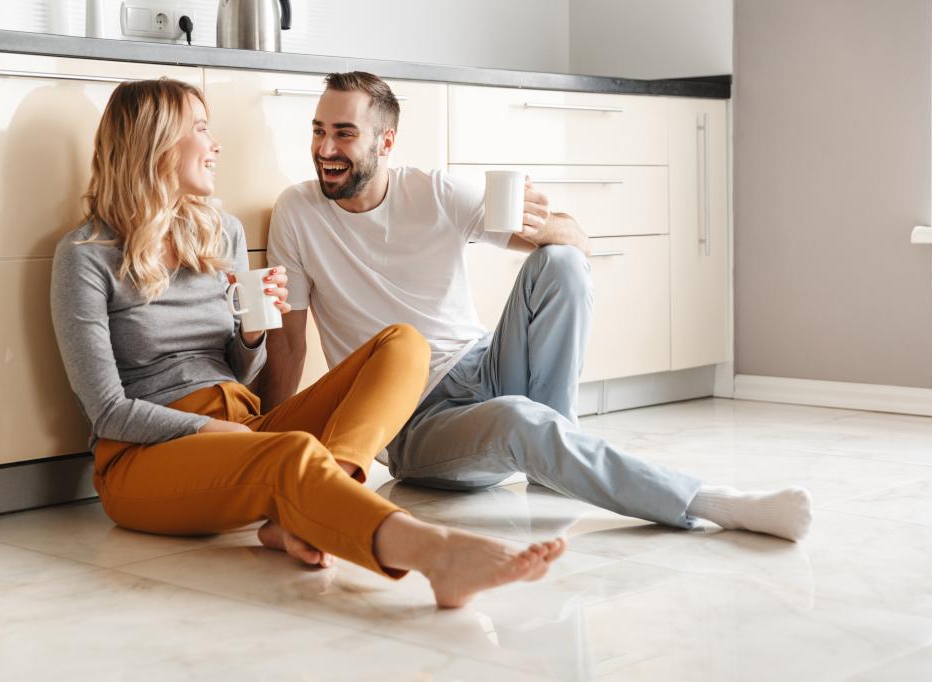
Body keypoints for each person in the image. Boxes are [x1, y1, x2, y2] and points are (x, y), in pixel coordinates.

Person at [49, 78, 566, 609]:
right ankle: (438, 556)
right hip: (145, 457)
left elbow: (241, 375)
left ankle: (317, 506)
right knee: (290, 452)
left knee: (402, 344)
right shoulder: (85, 257)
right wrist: (214, 429)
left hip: (242, 425)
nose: (215, 145)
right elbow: (109, 412)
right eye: (201, 129)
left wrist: (251, 334)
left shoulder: (217, 232)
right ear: (156, 143)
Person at [258, 71, 813, 542]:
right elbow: (289, 341)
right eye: (319, 132)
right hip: (413, 421)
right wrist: (263, 449)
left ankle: (555, 455)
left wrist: (541, 224)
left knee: (562, 263)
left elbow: (578, 242)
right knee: (521, 421)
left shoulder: (435, 192)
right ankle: (712, 502)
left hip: (485, 365)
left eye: (344, 134)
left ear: (385, 143)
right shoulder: (298, 213)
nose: (326, 150)